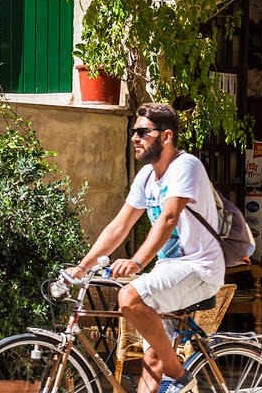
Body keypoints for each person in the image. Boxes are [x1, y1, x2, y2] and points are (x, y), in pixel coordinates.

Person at [73, 102, 225, 393]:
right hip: (171, 270)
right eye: (134, 132)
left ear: (166, 136)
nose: (134, 138)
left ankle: (179, 375)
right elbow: (120, 226)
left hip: (199, 267)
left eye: (142, 132)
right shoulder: (146, 177)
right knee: (153, 354)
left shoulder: (186, 166)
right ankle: (169, 370)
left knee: (128, 297)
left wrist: (138, 261)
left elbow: (169, 217)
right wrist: (83, 268)